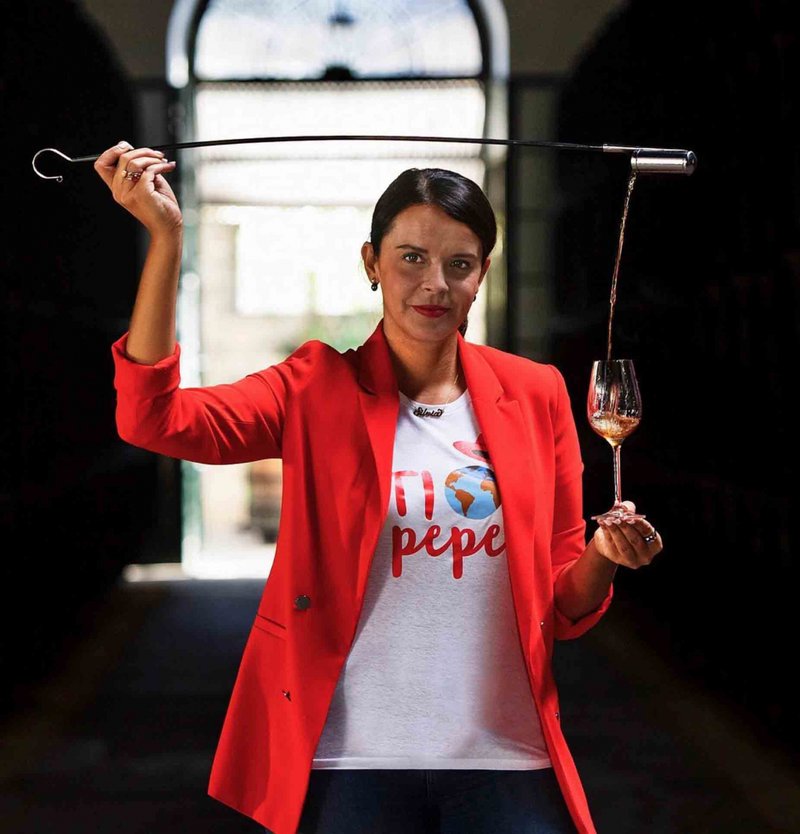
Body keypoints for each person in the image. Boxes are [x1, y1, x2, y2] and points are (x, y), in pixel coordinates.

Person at [95, 140, 664, 834]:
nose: (435, 285)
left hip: (507, 757)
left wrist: (604, 555)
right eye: (411, 258)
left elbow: (566, 605)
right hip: (351, 761)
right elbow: (154, 419)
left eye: (459, 264)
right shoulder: (314, 387)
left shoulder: (535, 393)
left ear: (483, 273)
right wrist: (166, 240)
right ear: (372, 263)